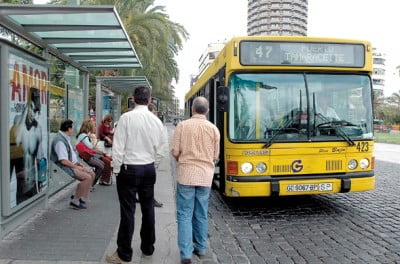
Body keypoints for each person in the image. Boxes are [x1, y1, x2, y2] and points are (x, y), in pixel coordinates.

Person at [106, 86, 167, 264]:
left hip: (128, 168)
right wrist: (153, 164)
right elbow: (161, 149)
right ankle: (148, 248)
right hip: (148, 168)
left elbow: (118, 147)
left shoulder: (125, 118)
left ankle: (124, 253)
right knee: (148, 209)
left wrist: (116, 169)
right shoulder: (156, 121)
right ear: (149, 101)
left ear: (133, 99)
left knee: (128, 211)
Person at [171, 96, 220, 264]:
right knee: (201, 212)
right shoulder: (214, 129)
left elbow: (175, 152)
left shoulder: (182, 126)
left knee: (184, 214)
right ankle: (201, 248)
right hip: (205, 176)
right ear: (207, 110)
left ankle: (185, 253)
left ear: (192, 109)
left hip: (186, 175)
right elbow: (215, 156)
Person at [50, 120, 95, 210]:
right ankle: (75, 201)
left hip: (70, 165)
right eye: (72, 128)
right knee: (87, 177)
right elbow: (63, 161)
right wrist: (77, 167)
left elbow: (70, 155)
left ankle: (82, 198)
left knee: (92, 174)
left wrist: (78, 163)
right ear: (68, 129)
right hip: (62, 168)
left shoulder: (65, 138)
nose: (73, 130)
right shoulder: (59, 141)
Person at [76, 120, 107, 187]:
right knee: (101, 166)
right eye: (94, 126)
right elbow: (90, 146)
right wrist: (94, 140)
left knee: (102, 164)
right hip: (85, 157)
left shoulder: (84, 135)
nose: (95, 127)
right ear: (89, 127)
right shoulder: (84, 135)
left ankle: (91, 183)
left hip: (87, 155)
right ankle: (90, 184)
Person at [147, 103, 163, 208]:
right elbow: (160, 146)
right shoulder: (155, 123)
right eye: (154, 111)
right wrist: (156, 162)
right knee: (149, 183)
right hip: (149, 160)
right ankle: (150, 200)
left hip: (133, 161)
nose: (155, 113)